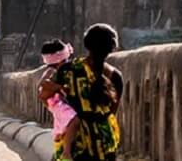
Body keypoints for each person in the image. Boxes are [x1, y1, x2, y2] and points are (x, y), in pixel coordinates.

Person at [45, 24, 124, 161]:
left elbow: (47, 97)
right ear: (112, 48)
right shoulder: (115, 77)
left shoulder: (67, 70)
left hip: (76, 145)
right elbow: (112, 112)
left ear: (87, 45)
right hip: (104, 144)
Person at [37, 39, 79, 161]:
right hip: (56, 103)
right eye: (65, 60)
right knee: (75, 121)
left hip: (61, 103)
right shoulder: (51, 71)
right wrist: (59, 87)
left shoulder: (66, 71)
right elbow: (41, 86)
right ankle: (67, 152)